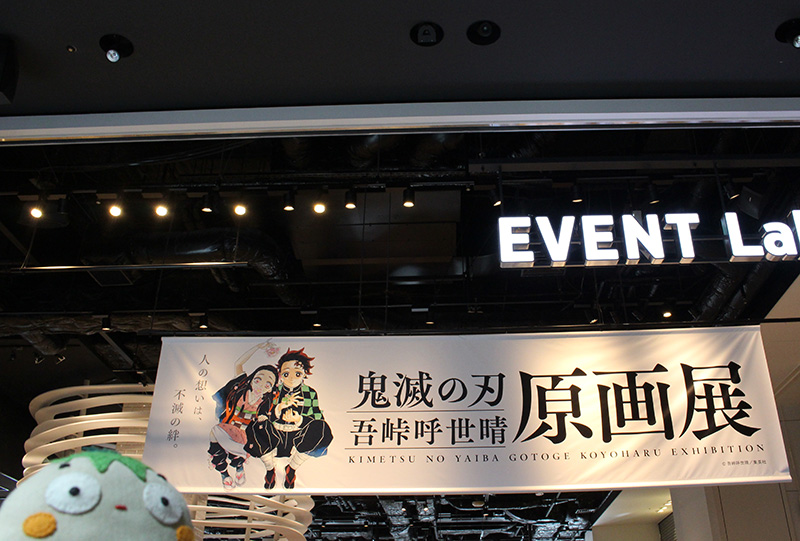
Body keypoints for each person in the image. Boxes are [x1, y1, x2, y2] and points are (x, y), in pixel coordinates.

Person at [245, 348, 333, 489]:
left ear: (304, 374)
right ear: (280, 374)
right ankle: (270, 469)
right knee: (255, 427)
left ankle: (291, 468)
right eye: (286, 374)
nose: (291, 378)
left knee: (323, 429)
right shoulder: (273, 390)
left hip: (298, 437)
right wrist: (278, 409)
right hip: (274, 435)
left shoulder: (310, 393)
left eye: (297, 374)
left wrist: (299, 420)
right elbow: (261, 413)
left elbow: (318, 418)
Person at [207, 342, 277, 490]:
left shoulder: (266, 404)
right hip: (226, 426)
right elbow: (238, 363)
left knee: (239, 451)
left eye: (268, 384)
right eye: (259, 379)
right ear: (252, 378)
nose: (261, 385)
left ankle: (239, 467)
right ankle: (224, 474)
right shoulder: (240, 388)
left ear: (271, 389)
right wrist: (257, 347)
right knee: (215, 438)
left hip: (245, 435)